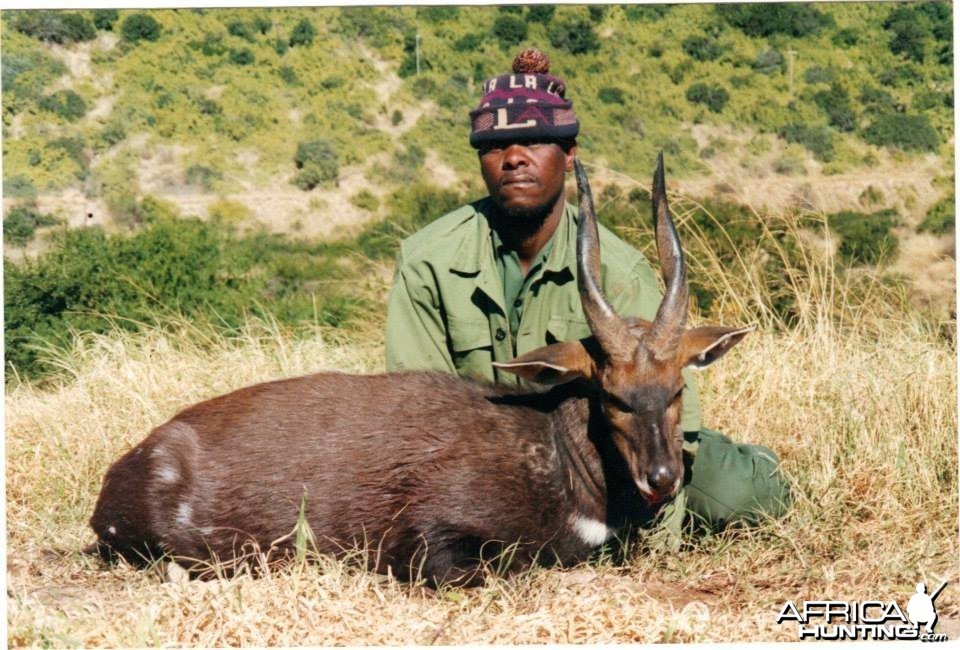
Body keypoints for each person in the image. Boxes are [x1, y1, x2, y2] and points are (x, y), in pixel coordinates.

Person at [384, 48, 789, 545]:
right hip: (485, 451)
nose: (514, 158)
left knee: (742, 494)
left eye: (536, 141)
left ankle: (762, 467)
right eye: (495, 147)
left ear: (569, 153)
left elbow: (663, 411)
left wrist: (653, 529)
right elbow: (417, 409)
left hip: (608, 448)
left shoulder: (619, 273)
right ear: (481, 159)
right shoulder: (428, 259)